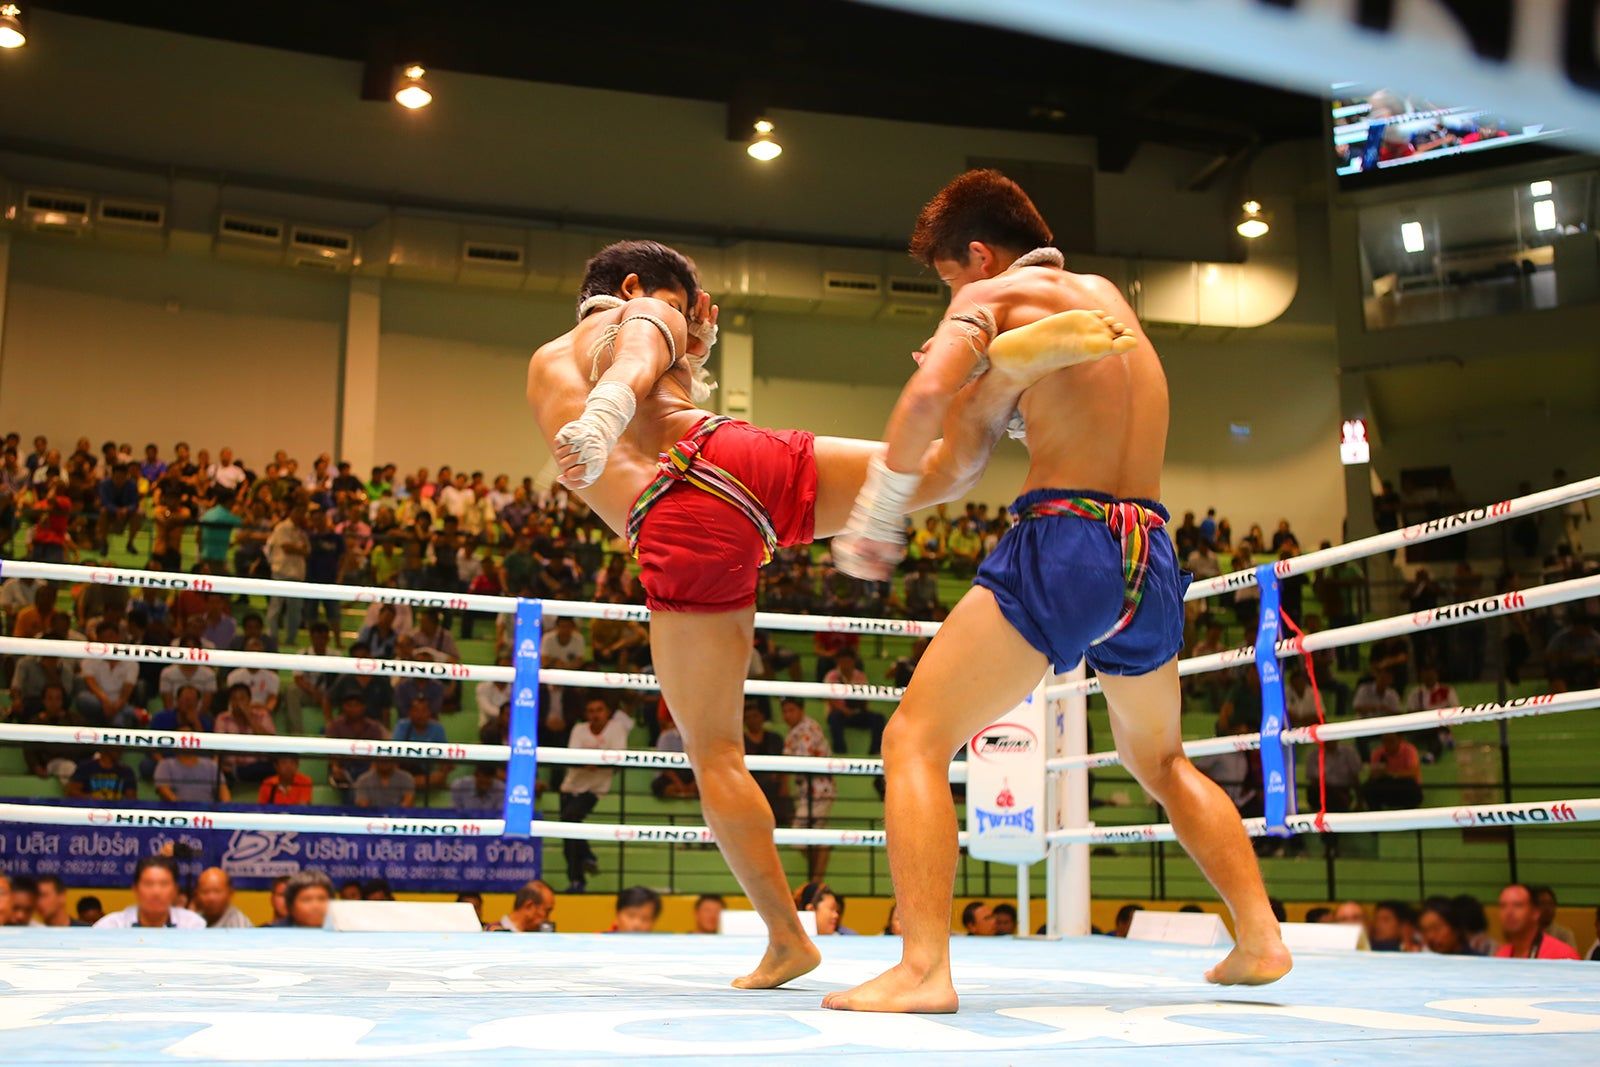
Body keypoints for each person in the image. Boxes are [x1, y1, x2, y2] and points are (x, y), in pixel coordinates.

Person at [825, 170, 1286, 1014]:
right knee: (1162, 759)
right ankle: (1259, 936)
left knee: (915, 738)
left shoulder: (991, 295)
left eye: (950, 278)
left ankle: (923, 968)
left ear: (978, 255)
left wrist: (879, 512)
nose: (955, 295)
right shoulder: (1111, 301)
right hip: (1149, 548)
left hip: (1066, 540)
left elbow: (928, 403)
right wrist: (992, 388)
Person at [526, 239, 1045, 988]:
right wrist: (680, 345)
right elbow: (642, 342)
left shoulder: (562, 355)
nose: (679, 320)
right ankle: (1002, 389)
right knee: (936, 472)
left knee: (715, 753)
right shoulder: (639, 320)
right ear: (634, 285)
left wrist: (608, 412)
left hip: (678, 515)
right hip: (737, 455)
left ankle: (786, 939)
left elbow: (634, 351)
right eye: (679, 305)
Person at [559, 697, 634, 892]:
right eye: (591, 711)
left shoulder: (616, 729)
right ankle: (579, 876)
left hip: (596, 788)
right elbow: (572, 756)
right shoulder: (579, 729)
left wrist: (593, 762)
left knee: (570, 818)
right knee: (568, 834)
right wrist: (594, 761)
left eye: (599, 710)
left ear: (607, 712)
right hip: (570, 786)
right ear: (586, 714)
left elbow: (619, 759)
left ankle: (584, 864)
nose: (595, 715)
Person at [781, 697, 836, 882]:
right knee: (806, 839)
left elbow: (800, 761)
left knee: (799, 835)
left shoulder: (808, 728)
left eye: (791, 710)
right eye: (784, 711)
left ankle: (816, 882)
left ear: (801, 710)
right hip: (806, 791)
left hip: (819, 790)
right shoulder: (793, 732)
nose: (787, 715)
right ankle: (815, 881)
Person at [94, 856, 206, 929]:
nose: (156, 892)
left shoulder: (193, 926)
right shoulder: (111, 926)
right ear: (135, 889)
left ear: (176, 890)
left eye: (164, 884)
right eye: (148, 884)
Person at [1494, 884, 1581, 960]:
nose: (1509, 912)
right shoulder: (1502, 954)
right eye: (1503, 906)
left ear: (1535, 912)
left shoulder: (1562, 955)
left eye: (1518, 905)